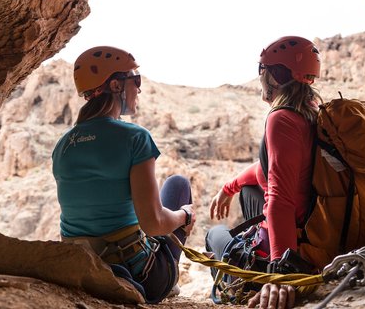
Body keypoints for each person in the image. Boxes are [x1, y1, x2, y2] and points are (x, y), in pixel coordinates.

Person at [52, 46, 195, 303]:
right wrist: (184, 215)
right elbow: (153, 224)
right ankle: (167, 280)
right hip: (138, 275)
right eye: (135, 80)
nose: (138, 88)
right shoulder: (135, 137)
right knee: (178, 185)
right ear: (116, 85)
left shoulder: (63, 145)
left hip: (82, 267)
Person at [206, 36, 322, 309]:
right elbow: (269, 168)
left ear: (276, 75)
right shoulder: (309, 112)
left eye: (264, 70)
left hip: (292, 250)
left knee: (215, 234)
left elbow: (280, 199)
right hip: (314, 230)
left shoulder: (281, 118)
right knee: (248, 189)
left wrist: (281, 274)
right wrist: (229, 187)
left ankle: (251, 278)